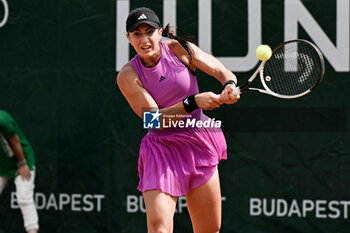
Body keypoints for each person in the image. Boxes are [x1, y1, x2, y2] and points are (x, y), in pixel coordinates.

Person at [117, 7, 239, 233]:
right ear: (128, 38)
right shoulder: (127, 75)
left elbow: (222, 71)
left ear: (160, 32)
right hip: (161, 150)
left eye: (149, 31)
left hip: (198, 142)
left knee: (209, 229)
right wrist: (193, 103)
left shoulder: (180, 50)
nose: (144, 39)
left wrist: (229, 86)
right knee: (159, 229)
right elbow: (152, 120)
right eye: (137, 34)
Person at [0, 109, 39, 233]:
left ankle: (32, 231)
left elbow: (15, 141)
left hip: (22, 161)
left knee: (24, 198)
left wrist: (22, 164)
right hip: (2, 165)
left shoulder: (3, 119)